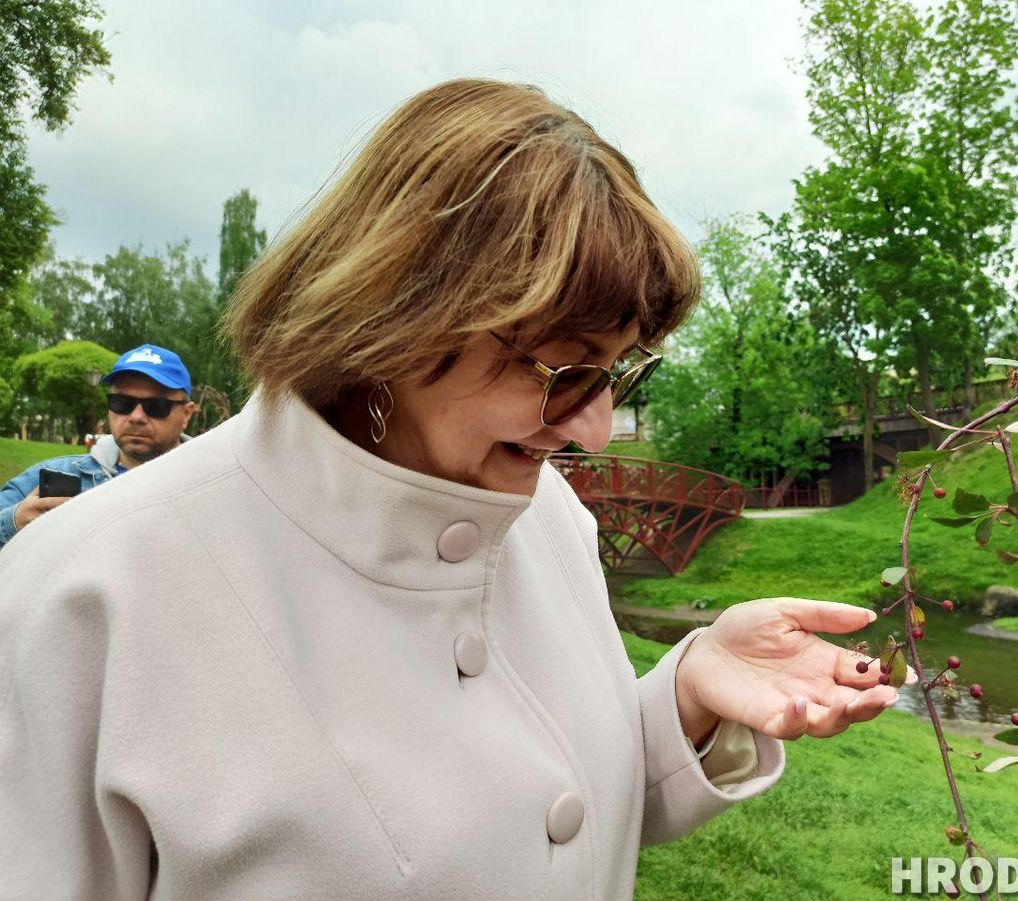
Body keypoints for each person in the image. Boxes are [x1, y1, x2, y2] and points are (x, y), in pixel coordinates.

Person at [0, 80, 905, 900]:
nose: (592, 430)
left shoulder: (550, 514)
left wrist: (689, 695)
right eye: (566, 370)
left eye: (617, 373)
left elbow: (548, 809)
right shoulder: (82, 599)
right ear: (394, 317)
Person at [0, 344, 195, 551]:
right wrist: (14, 521)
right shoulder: (49, 476)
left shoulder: (211, 484)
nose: (136, 417)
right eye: (122, 403)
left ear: (186, 414)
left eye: (156, 406)